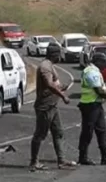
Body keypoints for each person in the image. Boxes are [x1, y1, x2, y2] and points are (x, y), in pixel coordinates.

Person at [29, 42, 78, 171]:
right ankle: (34, 162)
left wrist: (62, 87)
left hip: (53, 105)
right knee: (40, 135)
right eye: (59, 54)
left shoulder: (51, 65)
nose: (61, 56)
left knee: (58, 132)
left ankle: (61, 161)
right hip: (45, 106)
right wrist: (63, 96)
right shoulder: (45, 67)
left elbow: (52, 85)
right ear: (54, 54)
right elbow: (49, 84)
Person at [77, 53, 106, 166]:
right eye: (104, 62)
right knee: (88, 131)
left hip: (96, 104)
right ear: (98, 61)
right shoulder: (91, 72)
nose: (105, 64)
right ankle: (83, 157)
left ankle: (105, 156)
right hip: (89, 105)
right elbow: (98, 90)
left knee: (102, 131)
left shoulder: (95, 71)